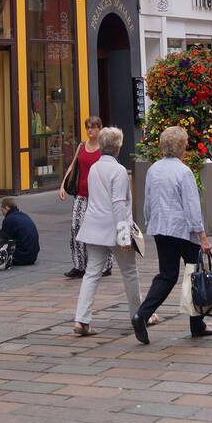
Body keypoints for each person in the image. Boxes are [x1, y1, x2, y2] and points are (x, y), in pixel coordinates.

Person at [132, 125, 212, 343]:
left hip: (161, 228)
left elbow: (148, 201)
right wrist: (202, 236)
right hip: (181, 229)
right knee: (194, 274)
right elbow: (191, 206)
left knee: (167, 275)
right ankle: (197, 325)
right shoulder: (183, 171)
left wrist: (150, 222)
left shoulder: (154, 170)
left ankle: (141, 314)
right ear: (180, 146)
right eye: (185, 143)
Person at [72, 127, 140, 337]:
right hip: (113, 228)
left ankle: (82, 320)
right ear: (118, 147)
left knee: (92, 273)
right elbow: (119, 204)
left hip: (93, 227)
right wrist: (123, 236)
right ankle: (138, 315)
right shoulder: (118, 171)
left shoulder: (94, 168)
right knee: (129, 273)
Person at [59, 115, 113, 280]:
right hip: (81, 194)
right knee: (76, 227)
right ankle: (79, 265)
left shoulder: (104, 148)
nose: (90, 130)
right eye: (88, 127)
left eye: (93, 127)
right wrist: (63, 184)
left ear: (100, 128)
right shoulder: (82, 146)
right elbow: (73, 165)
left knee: (100, 229)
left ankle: (106, 265)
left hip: (99, 196)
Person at [0, 197, 39, 265]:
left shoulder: (9, 219)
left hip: (22, 257)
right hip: (33, 256)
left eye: (2, 210)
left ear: (7, 208)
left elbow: (4, 239)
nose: (2, 212)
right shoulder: (24, 215)